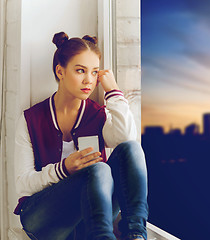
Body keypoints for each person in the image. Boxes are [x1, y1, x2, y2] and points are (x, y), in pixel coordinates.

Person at [13, 32, 148, 240]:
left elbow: (126, 140)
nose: (89, 80)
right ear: (60, 71)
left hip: (90, 219)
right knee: (99, 168)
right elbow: (23, 183)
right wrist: (64, 169)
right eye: (80, 71)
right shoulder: (31, 119)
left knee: (131, 149)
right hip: (43, 219)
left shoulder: (97, 115)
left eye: (95, 73)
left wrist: (113, 91)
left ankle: (136, 235)